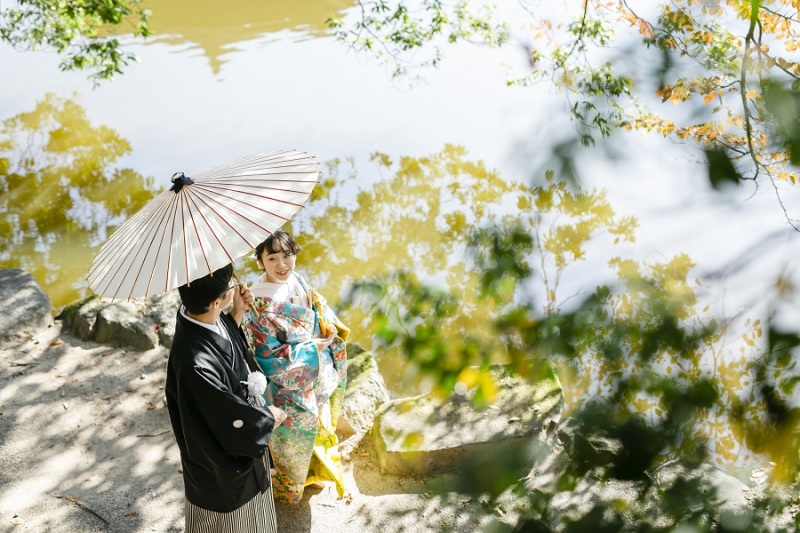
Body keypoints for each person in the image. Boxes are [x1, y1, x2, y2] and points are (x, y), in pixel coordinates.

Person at [165, 262, 287, 532]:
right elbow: (226, 415)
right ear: (215, 302)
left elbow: (223, 347)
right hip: (220, 454)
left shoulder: (195, 315)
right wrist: (267, 418)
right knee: (232, 518)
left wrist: (237, 311)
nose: (235, 286)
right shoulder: (195, 362)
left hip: (233, 424)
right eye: (230, 285)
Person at [245, 230, 349, 503]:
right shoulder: (258, 304)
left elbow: (317, 307)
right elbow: (267, 356)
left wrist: (327, 325)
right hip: (291, 381)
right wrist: (311, 349)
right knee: (294, 439)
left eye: (287, 255)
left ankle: (318, 471)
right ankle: (289, 488)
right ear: (260, 262)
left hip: (317, 369)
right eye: (272, 258)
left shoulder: (297, 279)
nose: (282, 265)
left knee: (321, 424)